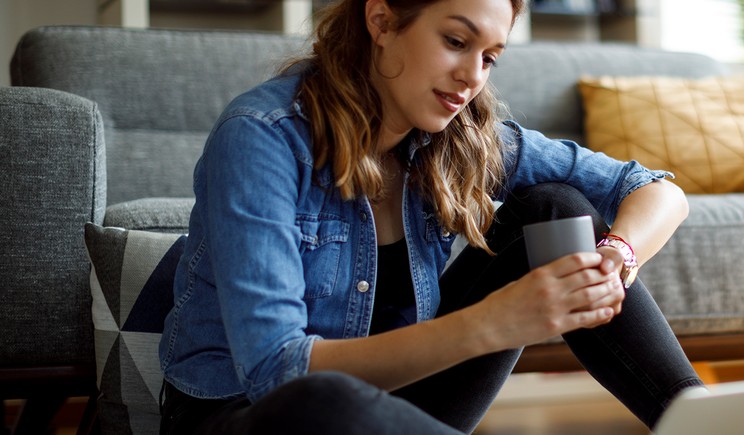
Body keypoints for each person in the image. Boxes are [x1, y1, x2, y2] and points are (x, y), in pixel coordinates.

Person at [158, 0, 703, 433]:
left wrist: (616, 258)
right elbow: (277, 375)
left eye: (489, 57)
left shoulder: (459, 138)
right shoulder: (263, 136)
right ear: (382, 21)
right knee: (322, 400)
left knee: (555, 208)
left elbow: (654, 190)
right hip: (254, 417)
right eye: (455, 42)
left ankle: (701, 423)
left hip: (399, 409)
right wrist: (495, 322)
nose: (472, 78)